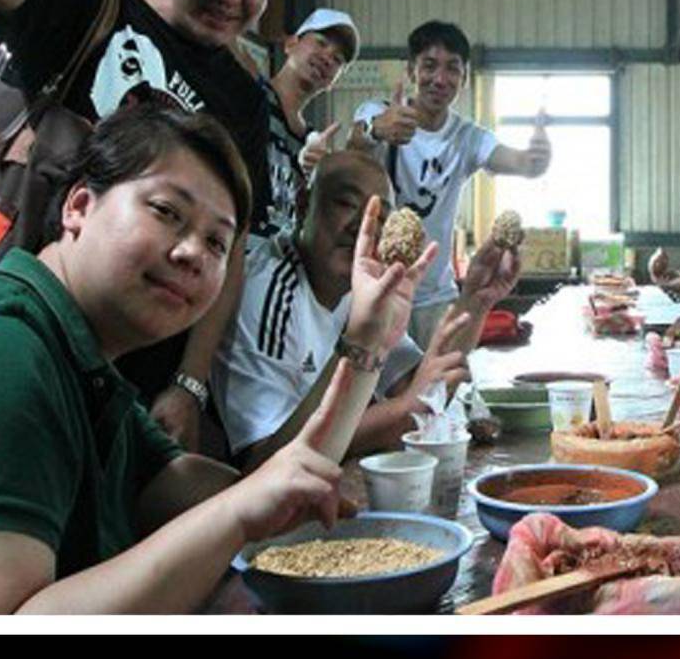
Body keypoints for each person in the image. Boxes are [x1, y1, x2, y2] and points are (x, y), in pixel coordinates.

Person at [0, 105, 422, 614]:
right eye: (167, 212)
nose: (194, 253)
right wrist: (237, 514)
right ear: (79, 205)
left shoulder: (90, 370)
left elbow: (269, 494)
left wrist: (366, 342)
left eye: (217, 241)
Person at [0, 0, 329, 452]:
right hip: (7, 343)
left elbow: (229, 246)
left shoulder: (242, 95)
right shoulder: (91, 5)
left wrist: (189, 382)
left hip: (125, 393)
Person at [212, 148, 522, 471]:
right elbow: (263, 461)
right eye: (346, 204)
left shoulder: (360, 286)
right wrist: (403, 412)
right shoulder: (266, 293)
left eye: (380, 217)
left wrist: (475, 299)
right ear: (303, 205)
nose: (362, 227)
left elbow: (423, 387)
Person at [350, 20, 550, 349]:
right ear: (411, 71)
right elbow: (353, 144)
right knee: (371, 393)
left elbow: (515, 161)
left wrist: (535, 160)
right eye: (429, 66)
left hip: (435, 297)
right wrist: (376, 130)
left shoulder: (467, 137)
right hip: (374, 290)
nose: (440, 79)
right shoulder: (380, 113)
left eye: (452, 69)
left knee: (440, 389)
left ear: (465, 78)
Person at [253, 8, 359, 240]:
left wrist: (316, 181)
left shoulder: (313, 144)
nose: (328, 57)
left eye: (338, 59)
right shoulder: (250, 97)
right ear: (290, 44)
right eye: (321, 42)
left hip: (279, 266)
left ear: (333, 81)